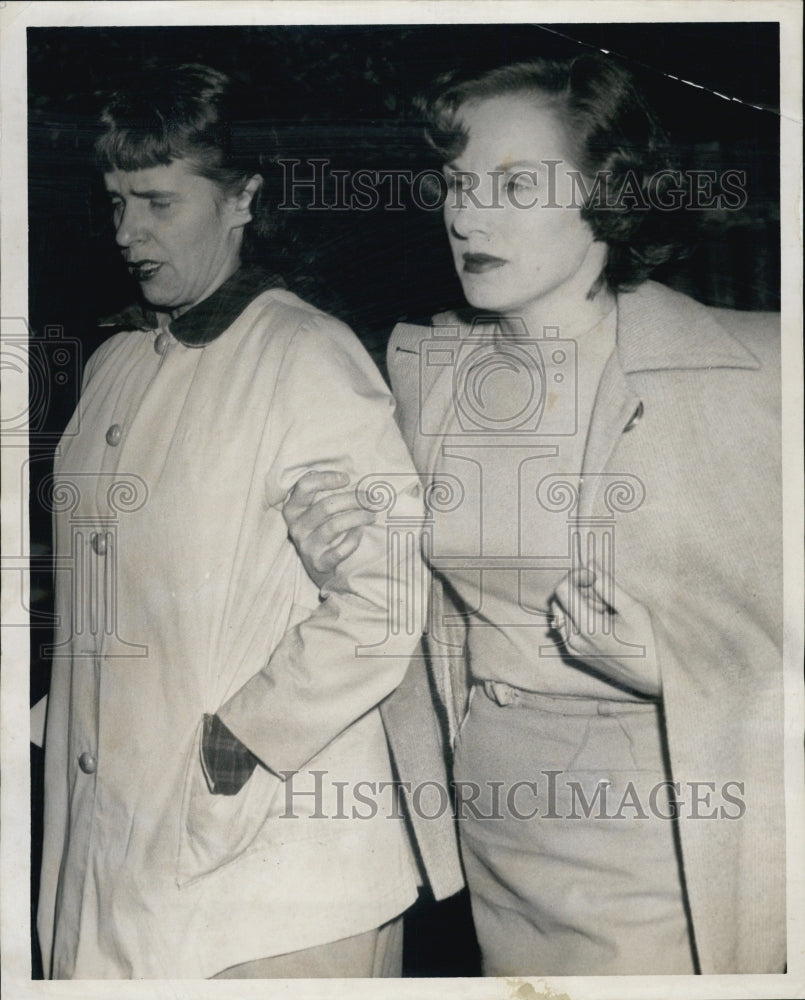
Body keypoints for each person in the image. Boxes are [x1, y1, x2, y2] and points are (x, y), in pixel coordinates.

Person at [282, 54, 785, 975]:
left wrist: (673, 670)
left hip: (673, 835)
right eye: (458, 183)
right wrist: (345, 560)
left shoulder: (759, 375)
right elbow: (413, 600)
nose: (467, 216)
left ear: (607, 192)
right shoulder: (426, 374)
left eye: (513, 184)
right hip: (496, 826)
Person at [36, 62, 463, 980]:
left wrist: (243, 744)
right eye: (114, 202)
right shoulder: (117, 362)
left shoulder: (302, 353)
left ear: (243, 199)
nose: (127, 233)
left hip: (276, 891)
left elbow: (386, 597)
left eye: (156, 200)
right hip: (117, 853)